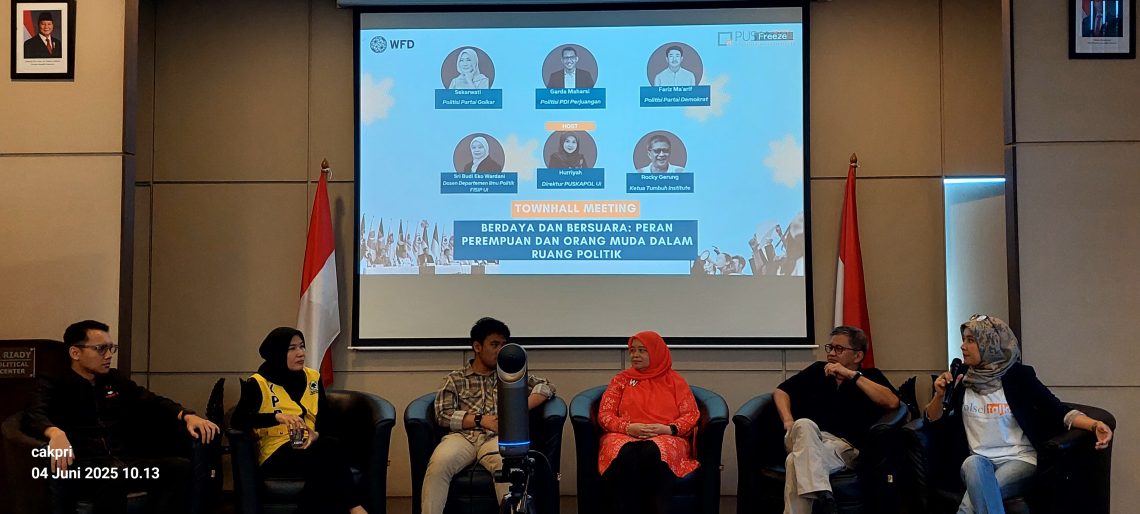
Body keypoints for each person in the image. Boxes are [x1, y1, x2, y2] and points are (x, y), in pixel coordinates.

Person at [22, 320, 219, 514]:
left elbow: (151, 400)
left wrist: (186, 415)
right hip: (87, 468)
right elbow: (33, 414)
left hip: (125, 462)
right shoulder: (55, 382)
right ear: (75, 353)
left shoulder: (113, 379)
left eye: (111, 348)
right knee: (113, 476)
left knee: (179, 467)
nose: (108, 355)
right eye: (100, 349)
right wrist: (54, 433)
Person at [923, 315, 1113, 514]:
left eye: (971, 340)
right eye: (963, 340)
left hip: (1020, 459)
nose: (963, 346)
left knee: (978, 497)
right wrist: (939, 395)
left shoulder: (1018, 376)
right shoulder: (962, 377)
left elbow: (1058, 410)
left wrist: (1094, 425)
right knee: (973, 465)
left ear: (991, 344)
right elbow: (932, 420)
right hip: (978, 461)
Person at [422, 317, 556, 514]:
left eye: (503, 345)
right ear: (477, 347)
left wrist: (519, 406)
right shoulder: (455, 378)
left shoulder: (511, 377)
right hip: (463, 438)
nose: (500, 350)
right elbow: (442, 414)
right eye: (494, 345)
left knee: (509, 467)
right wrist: (480, 420)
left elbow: (547, 386)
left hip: (497, 438)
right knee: (439, 465)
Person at [231, 327, 368, 514]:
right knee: (330, 453)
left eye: (302, 346)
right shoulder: (258, 383)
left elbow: (326, 419)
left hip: (310, 445)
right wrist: (277, 417)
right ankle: (355, 507)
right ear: (277, 352)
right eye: (292, 348)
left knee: (325, 464)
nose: (301, 353)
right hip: (276, 452)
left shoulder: (313, 378)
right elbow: (238, 420)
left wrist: (316, 434)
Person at [774, 326, 899, 514]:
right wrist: (788, 421)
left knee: (794, 462)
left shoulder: (871, 377)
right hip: (803, 437)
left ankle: (819, 491)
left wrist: (851, 375)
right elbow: (781, 391)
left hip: (842, 448)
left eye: (839, 349)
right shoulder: (817, 370)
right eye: (830, 348)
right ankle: (823, 492)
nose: (831, 353)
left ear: (857, 356)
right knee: (804, 424)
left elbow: (893, 402)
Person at [597, 331, 699, 514]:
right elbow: (605, 414)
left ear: (656, 352)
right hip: (625, 434)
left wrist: (668, 429)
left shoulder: (676, 381)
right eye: (632, 350)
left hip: (666, 435)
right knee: (626, 452)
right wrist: (628, 428)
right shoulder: (621, 380)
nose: (635, 355)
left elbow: (691, 415)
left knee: (653, 451)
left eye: (642, 350)